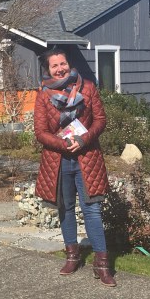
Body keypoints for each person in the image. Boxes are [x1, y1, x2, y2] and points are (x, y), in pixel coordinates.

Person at [33, 47, 115, 286]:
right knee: (65, 208)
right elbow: (40, 132)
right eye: (54, 66)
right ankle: (73, 256)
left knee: (92, 209)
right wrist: (62, 143)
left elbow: (100, 120)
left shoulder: (88, 87)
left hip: (86, 157)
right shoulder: (43, 96)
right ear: (48, 69)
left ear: (69, 64)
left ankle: (102, 264)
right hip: (58, 160)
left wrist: (83, 139)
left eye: (63, 64)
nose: (60, 69)